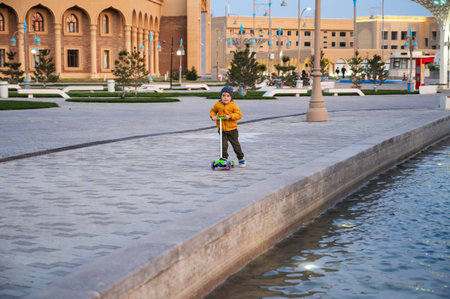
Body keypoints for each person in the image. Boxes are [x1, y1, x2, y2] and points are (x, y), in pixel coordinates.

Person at [210, 86, 246, 167]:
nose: (225, 98)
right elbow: (212, 111)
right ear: (221, 96)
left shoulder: (233, 105)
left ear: (231, 97)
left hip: (232, 130)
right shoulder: (218, 104)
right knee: (223, 145)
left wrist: (230, 116)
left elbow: (239, 115)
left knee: (235, 145)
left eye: (228, 96)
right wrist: (213, 116)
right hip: (222, 129)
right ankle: (224, 158)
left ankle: (241, 159)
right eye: (223, 96)